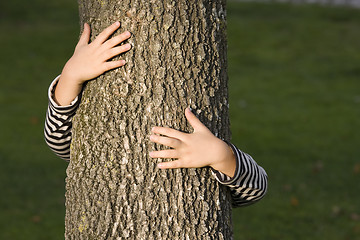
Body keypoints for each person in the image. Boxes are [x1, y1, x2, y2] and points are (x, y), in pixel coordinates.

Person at [44, 21, 268, 207]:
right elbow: (60, 141)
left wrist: (221, 155)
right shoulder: (91, 146)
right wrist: (71, 76)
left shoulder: (199, 155)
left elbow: (255, 189)